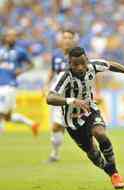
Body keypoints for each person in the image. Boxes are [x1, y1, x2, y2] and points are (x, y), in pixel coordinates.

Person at [46, 46, 124, 189]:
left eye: (83, 62)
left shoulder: (93, 66)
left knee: (100, 133)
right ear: (69, 63)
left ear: (87, 59)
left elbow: (111, 65)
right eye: (75, 64)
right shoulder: (65, 76)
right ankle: (110, 172)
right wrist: (72, 100)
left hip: (90, 111)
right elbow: (50, 98)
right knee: (92, 153)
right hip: (72, 121)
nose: (80, 67)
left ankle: (115, 173)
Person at [43, 29, 76, 163]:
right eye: (65, 37)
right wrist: (46, 85)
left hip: (76, 95)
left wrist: (97, 92)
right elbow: (52, 71)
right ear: (61, 40)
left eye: (70, 38)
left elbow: (91, 71)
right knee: (57, 126)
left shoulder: (78, 55)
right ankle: (55, 154)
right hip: (59, 96)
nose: (67, 40)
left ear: (74, 40)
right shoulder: (56, 55)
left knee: (83, 128)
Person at [0, 28, 39, 135]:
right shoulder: (1, 50)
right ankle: (32, 124)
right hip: (1, 84)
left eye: (14, 36)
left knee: (1, 113)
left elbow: (31, 64)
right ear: (5, 37)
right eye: (9, 35)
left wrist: (21, 70)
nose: (12, 38)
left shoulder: (20, 51)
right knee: (7, 117)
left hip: (9, 85)